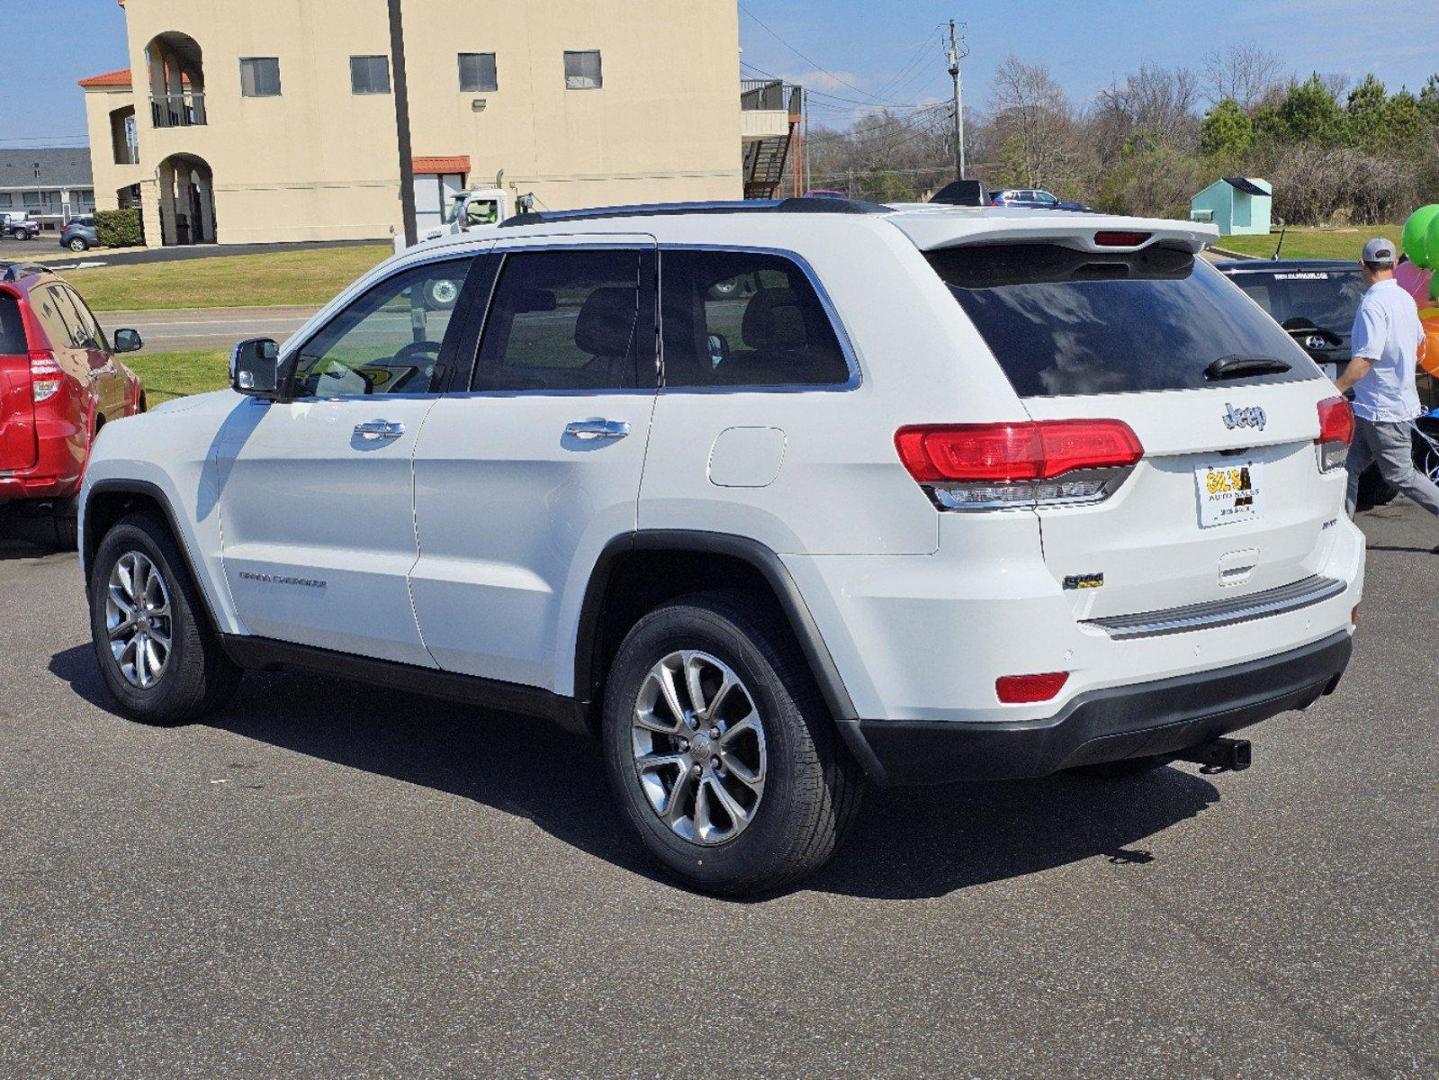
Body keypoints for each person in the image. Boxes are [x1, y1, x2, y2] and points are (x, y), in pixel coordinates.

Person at [1335, 237, 1439, 549]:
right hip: (1376, 407)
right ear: (1393, 265)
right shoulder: (1405, 300)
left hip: (1383, 410)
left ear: (1362, 266)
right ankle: (1341, 534)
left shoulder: (1372, 304)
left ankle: (1340, 534)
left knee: (1401, 476)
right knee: (1347, 469)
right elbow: (1420, 345)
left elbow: (1366, 359)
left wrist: (1334, 389)